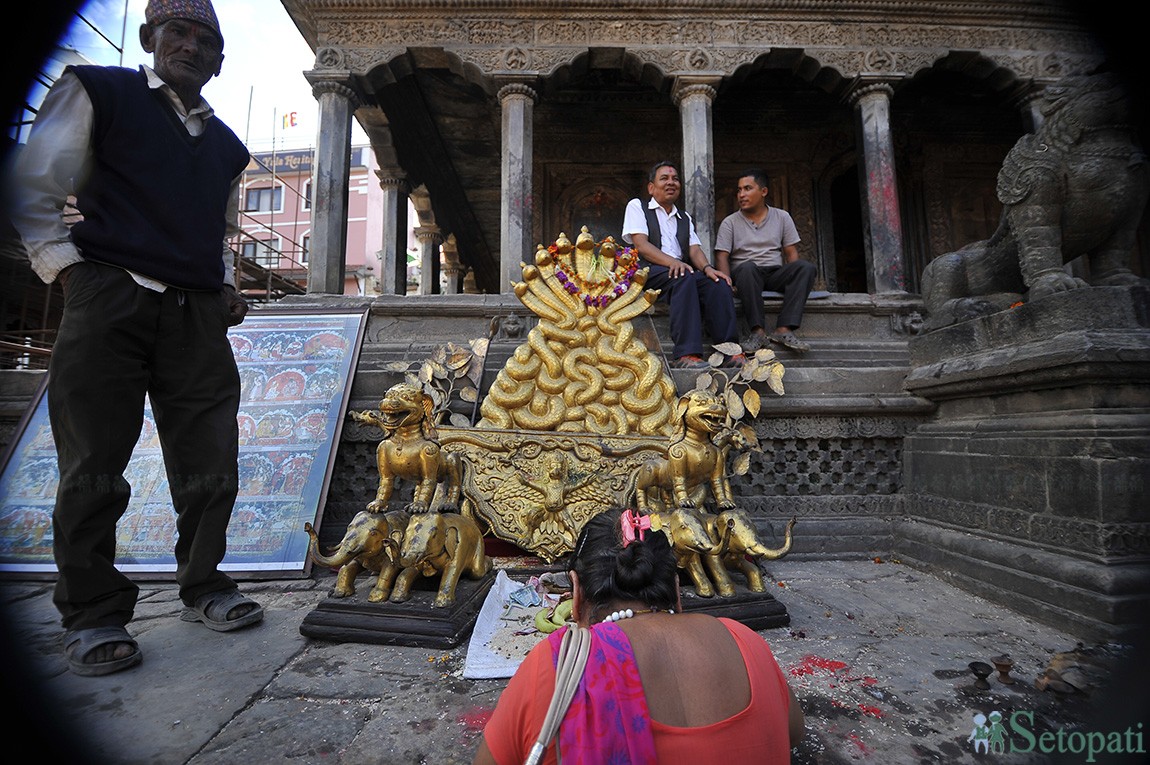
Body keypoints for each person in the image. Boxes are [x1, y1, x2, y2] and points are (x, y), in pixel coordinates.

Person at [6, 0, 263, 677]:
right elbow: (36, 181)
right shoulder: (101, 91)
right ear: (151, 38)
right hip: (109, 292)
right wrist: (63, 269)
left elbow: (219, 229)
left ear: (219, 60)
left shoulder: (227, 146)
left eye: (206, 40)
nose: (192, 47)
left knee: (210, 455)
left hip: (196, 310)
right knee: (93, 457)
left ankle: (204, 584)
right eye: (178, 32)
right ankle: (92, 611)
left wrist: (225, 283)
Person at [474, 508, 804, 764]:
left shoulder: (555, 668)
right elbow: (793, 733)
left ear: (575, 596)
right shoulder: (746, 642)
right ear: (676, 590)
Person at [622, 161, 745, 369]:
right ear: (651, 187)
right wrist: (673, 262)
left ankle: (729, 351)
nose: (671, 182)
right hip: (648, 271)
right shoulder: (638, 207)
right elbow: (641, 245)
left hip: (679, 271)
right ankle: (686, 354)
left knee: (718, 284)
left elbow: (694, 250)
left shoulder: (683, 217)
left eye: (675, 179)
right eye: (664, 178)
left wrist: (708, 269)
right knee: (683, 276)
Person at [715, 169, 818, 353]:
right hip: (746, 276)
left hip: (774, 273)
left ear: (763, 192)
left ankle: (784, 329)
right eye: (739, 190)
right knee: (747, 268)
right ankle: (758, 332)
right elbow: (722, 255)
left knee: (805, 268)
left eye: (747, 189)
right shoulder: (730, 222)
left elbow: (791, 252)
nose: (741, 195)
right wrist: (726, 283)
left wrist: (795, 278)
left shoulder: (782, 217)